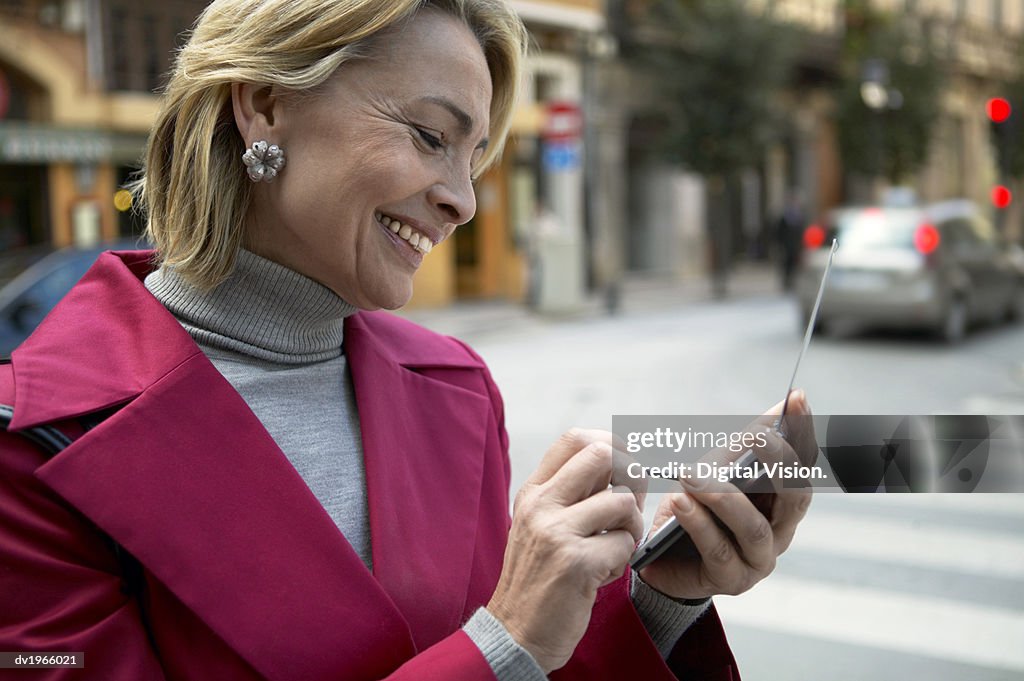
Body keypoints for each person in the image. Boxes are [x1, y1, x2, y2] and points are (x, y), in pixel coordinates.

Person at [0, 0, 816, 678]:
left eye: (476, 155)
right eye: (430, 135)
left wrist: (660, 599)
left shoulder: (454, 385)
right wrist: (504, 644)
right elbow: (503, 644)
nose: (461, 199)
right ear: (265, 101)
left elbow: (524, 653)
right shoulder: (32, 449)